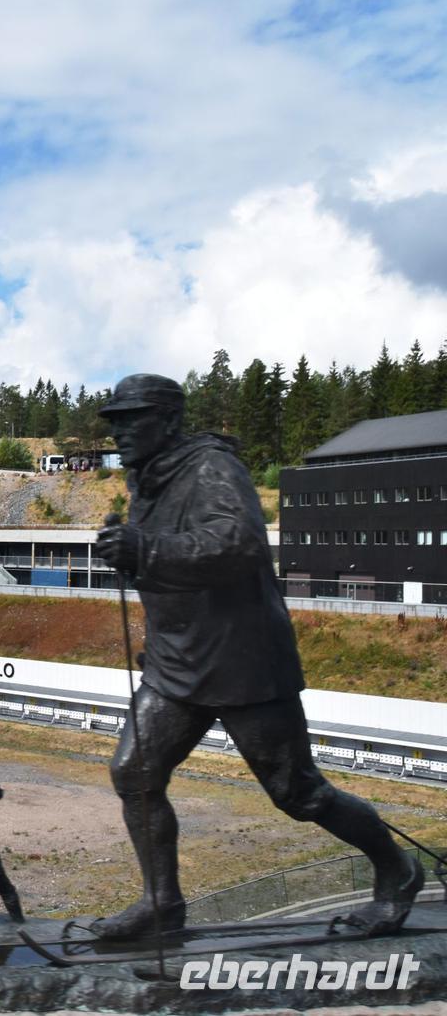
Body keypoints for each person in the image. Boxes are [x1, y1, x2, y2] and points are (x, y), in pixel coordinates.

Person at [92, 374, 421, 940]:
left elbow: (238, 543)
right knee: (135, 772)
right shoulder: (146, 477)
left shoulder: (211, 467)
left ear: (169, 422)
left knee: (299, 793)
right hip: (177, 663)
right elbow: (171, 560)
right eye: (115, 421)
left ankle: (398, 868)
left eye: (132, 419)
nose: (119, 432)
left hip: (243, 664)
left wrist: (146, 548)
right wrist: (130, 550)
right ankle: (162, 904)